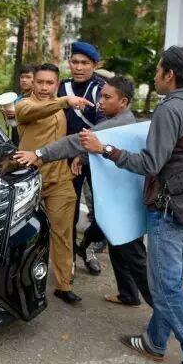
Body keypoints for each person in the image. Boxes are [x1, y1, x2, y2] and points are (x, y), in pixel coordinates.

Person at [80, 46, 183, 364]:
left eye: (158, 71)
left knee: (165, 286)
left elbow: (150, 163)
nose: (155, 76)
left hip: (169, 206)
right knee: (171, 281)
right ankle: (156, 342)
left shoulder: (171, 109)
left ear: (170, 75)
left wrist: (106, 149)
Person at [14, 76, 152, 307]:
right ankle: (128, 293)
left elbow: (78, 140)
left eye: (107, 97)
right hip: (38, 181)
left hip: (116, 201)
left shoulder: (117, 123)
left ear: (123, 102)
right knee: (117, 245)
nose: (100, 101)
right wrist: (82, 156)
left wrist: (38, 154)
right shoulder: (26, 104)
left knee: (132, 257)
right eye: (40, 82)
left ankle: (164, 316)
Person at [15, 63, 92, 305]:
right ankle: (15, 280)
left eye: (50, 83)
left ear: (57, 84)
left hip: (60, 179)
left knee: (62, 233)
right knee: (20, 233)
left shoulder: (60, 107)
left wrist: (79, 156)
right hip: (29, 179)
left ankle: (63, 285)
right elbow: (35, 113)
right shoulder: (24, 105)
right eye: (41, 82)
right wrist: (65, 101)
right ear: (33, 82)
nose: (45, 87)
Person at [58, 41, 107, 276]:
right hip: (68, 159)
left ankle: (87, 247)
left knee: (103, 211)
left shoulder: (101, 89)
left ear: (94, 65)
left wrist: (84, 152)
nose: (78, 67)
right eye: (74, 62)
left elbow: (106, 124)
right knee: (71, 208)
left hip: (95, 158)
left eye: (84, 63)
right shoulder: (62, 87)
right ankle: (70, 258)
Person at [2, 64, 36, 146]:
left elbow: (35, 116)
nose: (24, 80)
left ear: (35, 79)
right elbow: (12, 123)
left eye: (28, 77)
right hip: (16, 138)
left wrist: (17, 113)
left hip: (30, 141)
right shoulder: (17, 98)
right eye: (22, 77)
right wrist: (6, 114)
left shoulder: (37, 97)